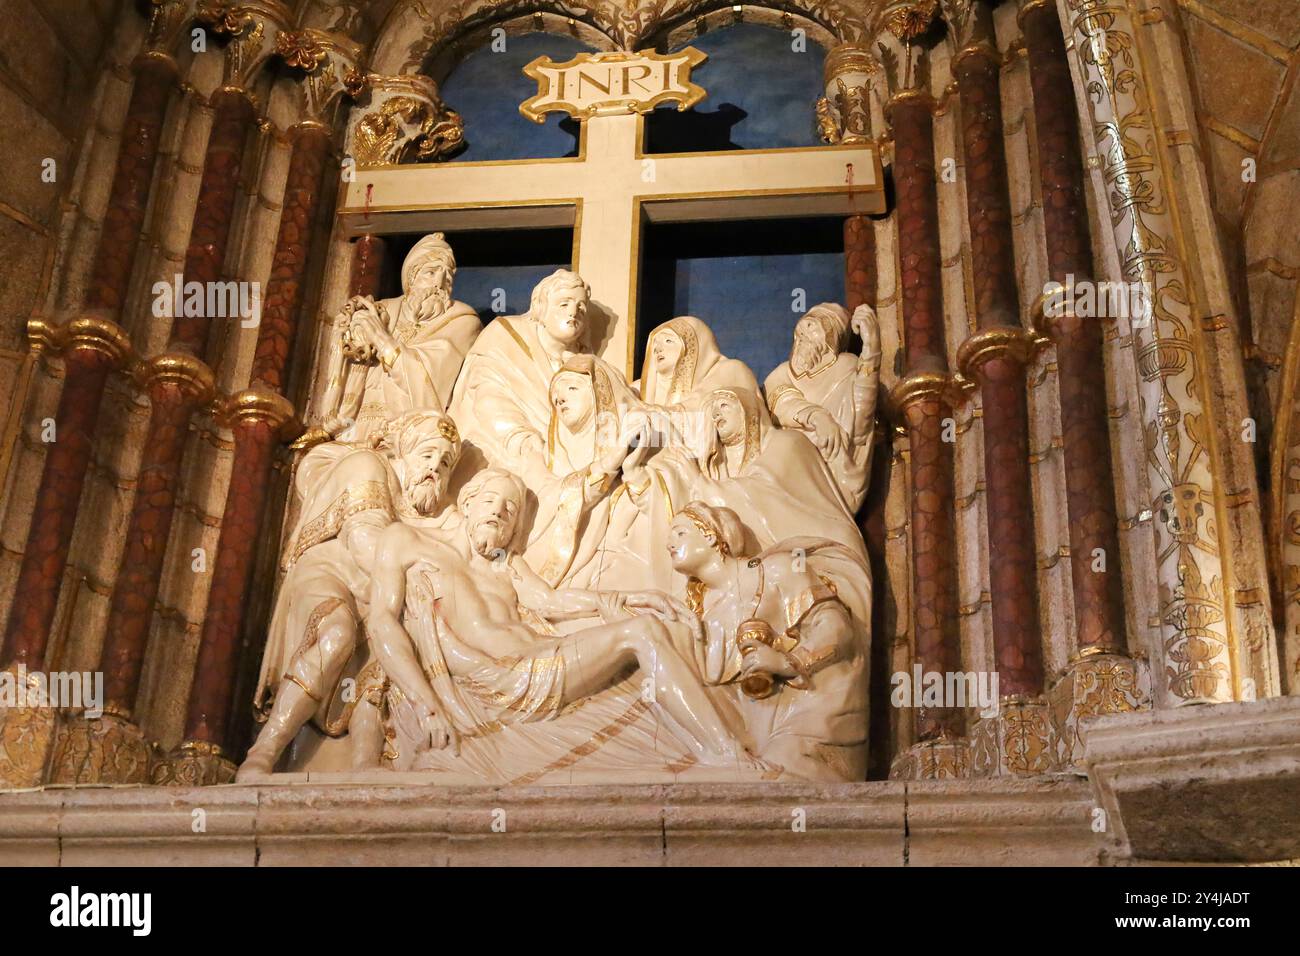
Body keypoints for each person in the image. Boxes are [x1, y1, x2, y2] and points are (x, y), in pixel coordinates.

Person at [364, 468, 757, 768]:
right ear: (467, 503)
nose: (499, 513)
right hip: (505, 680)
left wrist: (633, 596)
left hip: (544, 661)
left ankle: (727, 732)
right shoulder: (406, 543)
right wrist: (426, 706)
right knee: (642, 634)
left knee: (662, 629)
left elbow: (552, 602)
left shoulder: (506, 565)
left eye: (510, 510)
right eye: (490, 501)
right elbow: (382, 623)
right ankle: (725, 752)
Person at [237, 410, 462, 780]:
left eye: (445, 462)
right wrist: (421, 585)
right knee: (338, 633)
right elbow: (362, 539)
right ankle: (262, 754)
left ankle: (365, 765)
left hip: (375, 590)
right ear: (404, 453)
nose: (434, 468)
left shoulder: (425, 514)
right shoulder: (369, 467)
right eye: (426, 455)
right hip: (330, 573)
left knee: (380, 665)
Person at [663, 501, 871, 781]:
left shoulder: (774, 569)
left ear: (711, 535)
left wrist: (787, 660)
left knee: (784, 780)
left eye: (679, 533)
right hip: (742, 730)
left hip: (803, 708)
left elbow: (835, 626)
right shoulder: (696, 616)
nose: (669, 544)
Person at [764, 302, 881, 512]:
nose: (804, 334)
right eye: (801, 330)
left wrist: (871, 346)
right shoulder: (781, 373)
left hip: (834, 469)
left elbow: (861, 416)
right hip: (784, 469)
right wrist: (817, 416)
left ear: (832, 338)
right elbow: (781, 402)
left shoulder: (846, 366)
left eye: (814, 328)